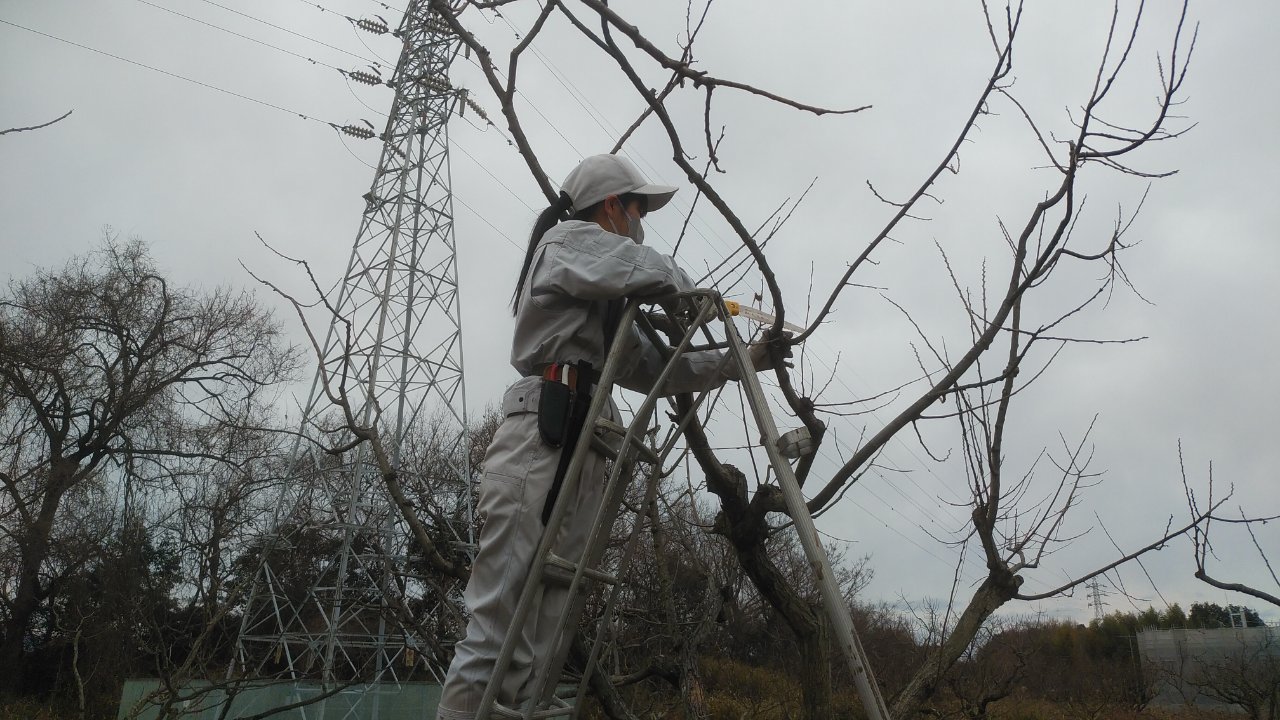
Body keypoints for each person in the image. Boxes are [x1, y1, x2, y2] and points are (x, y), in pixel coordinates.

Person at [436, 154, 779, 719]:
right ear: (613, 207)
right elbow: (647, 266)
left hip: (582, 439)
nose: (642, 224)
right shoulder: (568, 243)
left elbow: (657, 368)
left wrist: (747, 360)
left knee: (542, 632)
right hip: (539, 437)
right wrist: (699, 300)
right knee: (496, 627)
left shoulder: (600, 301)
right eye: (639, 209)